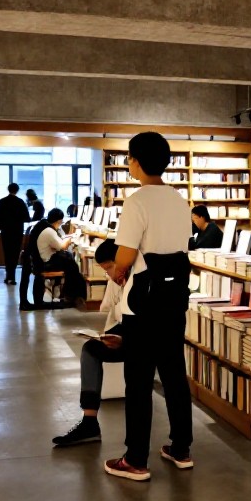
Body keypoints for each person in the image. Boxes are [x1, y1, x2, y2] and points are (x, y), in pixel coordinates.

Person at [102, 132, 194, 482]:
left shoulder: (136, 201)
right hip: (173, 300)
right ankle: (181, 448)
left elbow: (124, 254)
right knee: (173, 375)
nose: (128, 163)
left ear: (138, 161)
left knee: (138, 381)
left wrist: (120, 274)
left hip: (142, 304)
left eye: (129, 158)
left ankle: (136, 459)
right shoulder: (179, 200)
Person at [52, 239, 126, 447]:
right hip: (122, 332)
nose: (109, 274)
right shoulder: (116, 281)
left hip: (140, 338)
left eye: (110, 267)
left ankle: (91, 424)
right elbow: (110, 311)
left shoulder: (138, 280)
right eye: (105, 270)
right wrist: (107, 335)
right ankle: (89, 420)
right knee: (90, 350)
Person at [33, 208, 88, 305]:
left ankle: (72, 293)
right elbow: (62, 246)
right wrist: (70, 239)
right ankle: (73, 294)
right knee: (72, 266)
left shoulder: (47, 229)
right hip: (48, 261)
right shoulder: (49, 231)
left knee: (70, 262)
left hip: (45, 259)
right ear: (59, 220)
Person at [0, 183, 29, 285]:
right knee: (15, 254)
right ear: (17, 190)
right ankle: (12, 277)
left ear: (8, 189)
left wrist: (3, 224)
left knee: (7, 253)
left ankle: (9, 275)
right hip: (17, 232)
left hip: (6, 232)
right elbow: (27, 218)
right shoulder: (20, 202)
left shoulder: (2, 202)